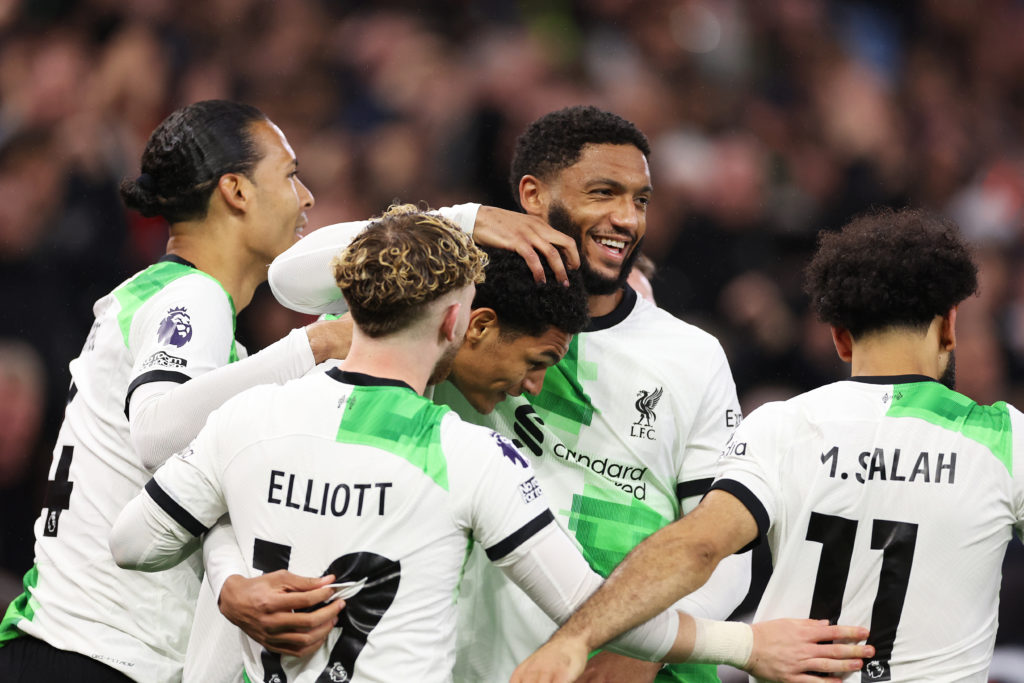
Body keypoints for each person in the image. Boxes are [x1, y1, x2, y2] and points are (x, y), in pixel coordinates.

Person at [109, 207, 873, 683]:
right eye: (539, 363)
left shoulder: (254, 414)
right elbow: (590, 607)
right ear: (457, 324)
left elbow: (136, 539)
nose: (537, 386)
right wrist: (747, 646)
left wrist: (230, 573)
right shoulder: (470, 454)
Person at [267, 105, 749, 683]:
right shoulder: (452, 313)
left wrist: (642, 648)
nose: (627, 218)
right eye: (604, 192)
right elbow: (291, 277)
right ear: (533, 195)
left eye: (641, 200)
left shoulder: (691, 355)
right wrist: (461, 221)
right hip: (463, 662)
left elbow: (727, 546)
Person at [511, 207, 1024, 683]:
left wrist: (577, 637)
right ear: (951, 325)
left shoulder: (781, 426)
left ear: (838, 337)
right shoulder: (1003, 439)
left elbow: (700, 545)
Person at [0, 99, 355, 683]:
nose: (307, 197)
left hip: (73, 650)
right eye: (290, 175)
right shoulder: (193, 299)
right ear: (236, 191)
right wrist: (311, 346)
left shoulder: (168, 304)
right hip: (93, 656)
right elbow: (159, 432)